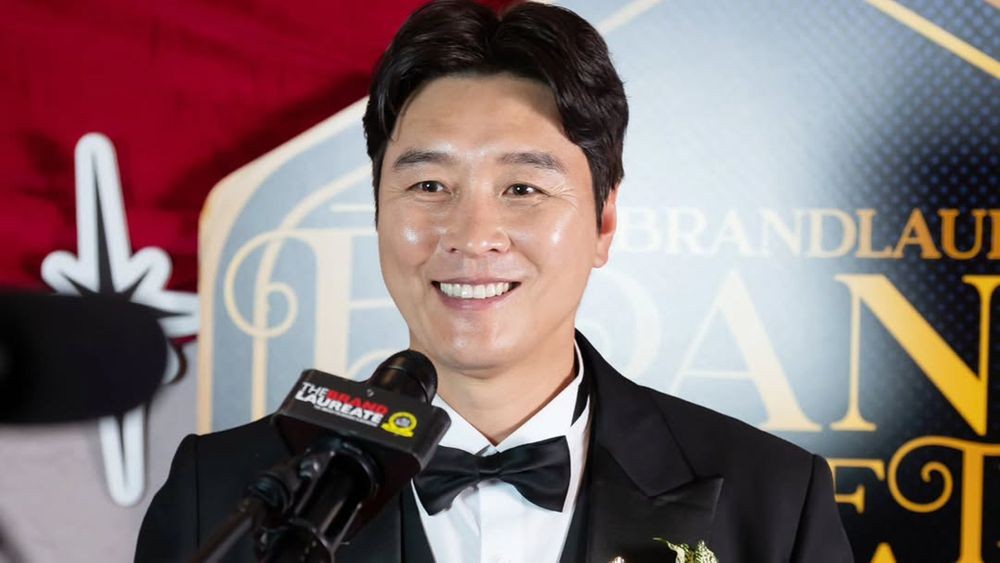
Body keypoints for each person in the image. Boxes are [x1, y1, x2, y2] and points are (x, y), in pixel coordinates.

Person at [136, 1, 853, 561]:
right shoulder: (221, 494)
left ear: (604, 221)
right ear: (377, 209)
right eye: (429, 184)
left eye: (522, 189)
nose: (472, 234)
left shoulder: (772, 502)